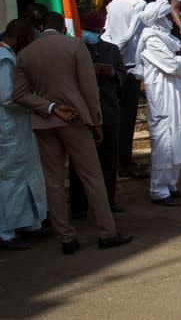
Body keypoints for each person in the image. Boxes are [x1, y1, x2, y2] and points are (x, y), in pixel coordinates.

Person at [13, 12, 132, 254]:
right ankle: (107, 233)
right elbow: (89, 87)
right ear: (63, 28)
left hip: (45, 122)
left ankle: (66, 237)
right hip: (76, 119)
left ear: (42, 28)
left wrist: (50, 107)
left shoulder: (26, 54)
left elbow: (19, 95)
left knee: (54, 182)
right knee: (92, 177)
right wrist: (96, 121)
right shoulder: (75, 45)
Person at [131, 0, 181, 206]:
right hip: (162, 93)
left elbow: (180, 60)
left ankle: (170, 184)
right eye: (167, 16)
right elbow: (172, 65)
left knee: (176, 136)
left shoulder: (166, 37)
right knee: (163, 139)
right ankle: (159, 189)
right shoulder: (151, 38)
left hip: (173, 92)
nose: (170, 20)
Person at [69, 12, 125, 217]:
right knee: (79, 162)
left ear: (101, 31)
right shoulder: (75, 48)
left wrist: (113, 73)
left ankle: (110, 200)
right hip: (83, 112)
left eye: (94, 31)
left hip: (108, 110)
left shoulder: (111, 49)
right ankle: (78, 205)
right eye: (88, 30)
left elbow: (123, 75)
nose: (90, 35)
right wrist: (89, 70)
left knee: (109, 160)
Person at [0, 20, 47, 250]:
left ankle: (27, 222)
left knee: (24, 175)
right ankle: (5, 231)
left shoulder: (8, 56)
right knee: (11, 179)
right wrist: (33, 100)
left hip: (17, 128)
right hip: (9, 128)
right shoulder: (4, 59)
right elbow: (8, 97)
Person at [102, 0, 147, 179]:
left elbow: (107, 31)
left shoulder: (112, 4)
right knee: (128, 118)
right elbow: (137, 35)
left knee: (117, 116)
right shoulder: (139, 4)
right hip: (130, 65)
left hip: (115, 65)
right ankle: (125, 162)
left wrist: (111, 55)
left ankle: (117, 160)